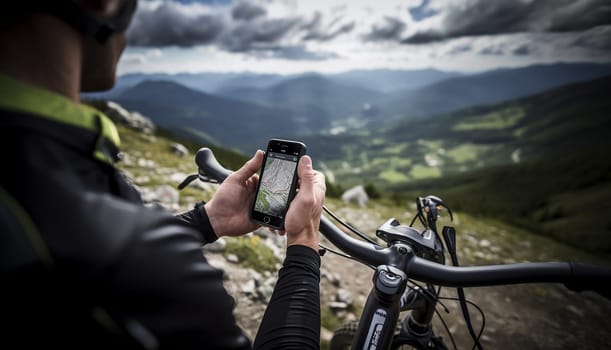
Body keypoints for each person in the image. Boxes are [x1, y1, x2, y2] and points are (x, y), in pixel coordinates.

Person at [0, 0, 326, 349]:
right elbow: (126, 254)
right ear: (105, 4)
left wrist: (208, 220)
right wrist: (304, 241)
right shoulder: (141, 265)